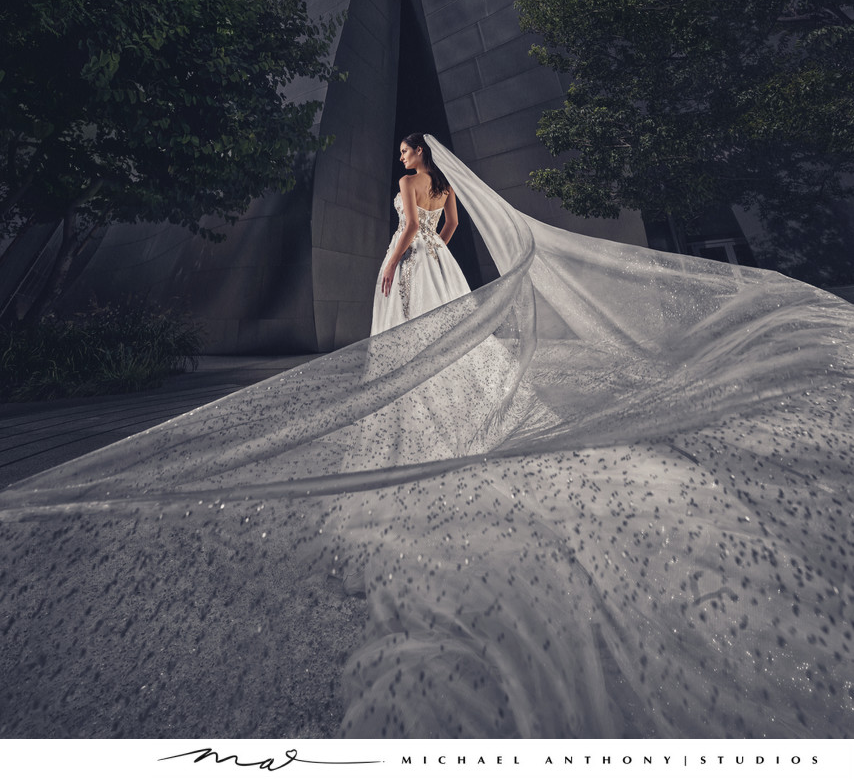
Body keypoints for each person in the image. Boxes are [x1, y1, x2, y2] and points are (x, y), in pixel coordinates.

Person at [0, 134, 851, 741]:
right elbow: (446, 234)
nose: (399, 164)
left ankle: (426, 412)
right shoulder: (447, 195)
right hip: (443, 266)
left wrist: (384, 264)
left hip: (413, 269)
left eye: (404, 156)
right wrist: (431, 246)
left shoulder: (413, 194)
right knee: (456, 349)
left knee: (410, 346)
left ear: (418, 160)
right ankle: (461, 404)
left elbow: (414, 232)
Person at [372, 132, 465, 333]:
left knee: (407, 307)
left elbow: (412, 225)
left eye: (404, 151)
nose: (401, 157)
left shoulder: (407, 181)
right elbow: (453, 223)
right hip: (435, 252)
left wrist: (392, 262)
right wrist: (435, 249)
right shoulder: (447, 185)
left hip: (409, 251)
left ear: (419, 150)